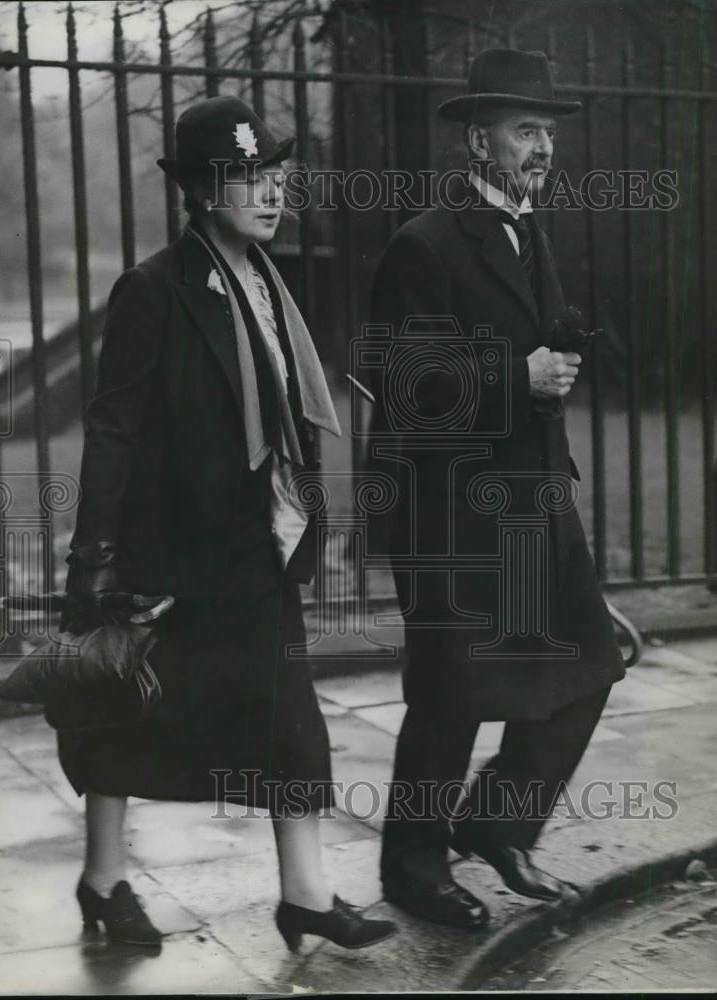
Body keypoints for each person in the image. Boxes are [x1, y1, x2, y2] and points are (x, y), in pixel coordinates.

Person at [58, 96, 396, 952]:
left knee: (288, 719)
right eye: (248, 178)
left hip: (256, 548)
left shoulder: (269, 285)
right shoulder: (153, 289)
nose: (271, 193)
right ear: (204, 193)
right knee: (125, 716)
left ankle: (307, 895)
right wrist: (95, 558)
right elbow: (113, 427)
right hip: (170, 558)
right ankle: (102, 881)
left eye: (276, 176)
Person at [363, 49, 626, 929]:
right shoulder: (423, 243)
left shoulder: (527, 228)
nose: (541, 148)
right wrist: (519, 375)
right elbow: (406, 387)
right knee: (450, 693)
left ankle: (498, 821)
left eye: (547, 132)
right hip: (451, 505)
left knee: (592, 656)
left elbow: (539, 343)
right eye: (524, 131)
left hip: (536, 496)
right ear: (477, 141)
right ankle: (413, 868)